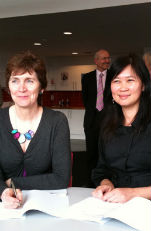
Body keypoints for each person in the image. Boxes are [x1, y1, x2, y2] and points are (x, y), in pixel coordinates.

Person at [0, 51, 71, 209]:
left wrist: (12, 182)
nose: (21, 88)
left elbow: (61, 178)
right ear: (9, 86)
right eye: (15, 81)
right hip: (5, 206)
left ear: (42, 87)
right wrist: (4, 191)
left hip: (47, 206)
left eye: (29, 81)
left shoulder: (56, 121)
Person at [92, 53, 151, 203]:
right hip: (113, 206)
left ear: (143, 85)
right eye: (116, 81)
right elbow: (101, 169)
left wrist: (132, 193)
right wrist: (106, 184)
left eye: (130, 80)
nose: (122, 87)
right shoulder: (107, 124)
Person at [81, 49, 111, 187]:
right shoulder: (86, 77)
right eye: (104, 58)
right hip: (91, 121)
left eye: (108, 58)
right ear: (96, 61)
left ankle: (107, 180)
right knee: (91, 153)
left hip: (109, 120)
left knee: (107, 152)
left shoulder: (114, 75)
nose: (107, 61)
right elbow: (85, 99)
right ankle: (90, 181)